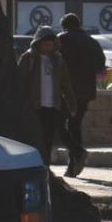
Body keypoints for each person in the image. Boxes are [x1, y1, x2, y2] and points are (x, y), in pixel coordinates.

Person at [17, 26, 77, 169]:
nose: (48, 47)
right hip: (36, 106)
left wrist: (71, 103)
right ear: (38, 43)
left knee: (49, 140)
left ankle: (46, 167)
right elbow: (19, 82)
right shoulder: (28, 58)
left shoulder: (58, 60)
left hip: (53, 106)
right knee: (37, 139)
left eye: (51, 44)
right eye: (45, 44)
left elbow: (66, 83)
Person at [57, 13, 106, 177]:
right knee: (74, 125)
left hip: (67, 91)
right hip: (86, 91)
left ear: (65, 26)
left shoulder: (62, 39)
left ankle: (77, 153)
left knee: (58, 126)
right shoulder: (92, 42)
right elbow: (100, 66)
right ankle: (73, 164)